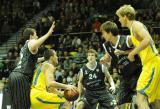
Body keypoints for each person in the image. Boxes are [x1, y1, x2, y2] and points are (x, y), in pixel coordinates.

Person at [116, 5, 160, 109]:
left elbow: (147, 39)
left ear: (125, 17)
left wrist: (132, 54)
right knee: (154, 100)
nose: (119, 19)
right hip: (154, 63)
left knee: (140, 99)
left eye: (119, 17)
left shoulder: (135, 25)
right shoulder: (134, 28)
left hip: (151, 64)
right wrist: (124, 52)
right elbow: (141, 46)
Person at [8, 21, 55, 109]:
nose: (37, 36)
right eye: (36, 34)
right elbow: (35, 43)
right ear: (31, 36)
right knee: (23, 106)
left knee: (16, 106)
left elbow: (32, 61)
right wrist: (48, 34)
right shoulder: (31, 42)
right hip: (21, 77)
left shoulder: (25, 46)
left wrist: (44, 58)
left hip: (14, 76)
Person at [100, 21, 142, 109]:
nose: (102, 36)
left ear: (110, 32)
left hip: (137, 74)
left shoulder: (127, 39)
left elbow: (142, 47)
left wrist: (124, 52)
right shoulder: (106, 45)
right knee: (119, 105)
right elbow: (108, 56)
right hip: (123, 77)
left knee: (143, 100)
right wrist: (104, 59)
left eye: (103, 33)